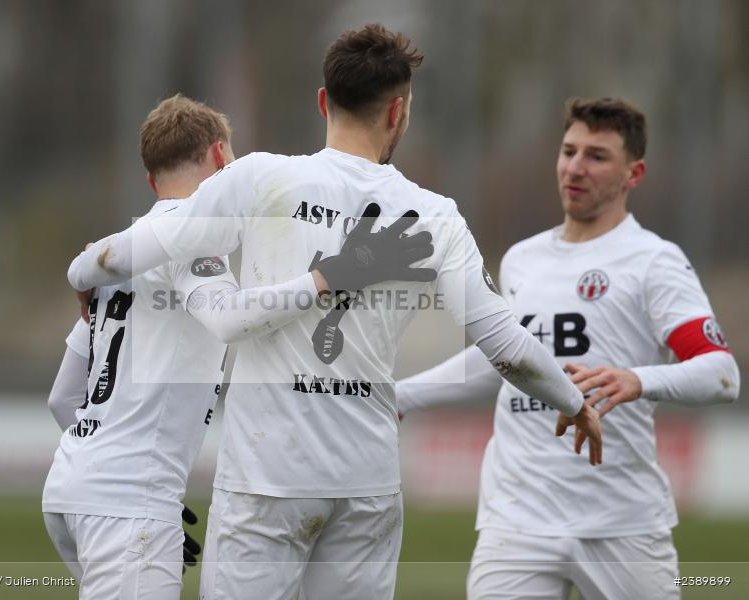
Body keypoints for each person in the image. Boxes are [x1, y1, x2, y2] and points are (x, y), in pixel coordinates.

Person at [67, 25, 602, 600]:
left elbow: (141, 247)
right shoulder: (435, 214)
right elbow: (503, 343)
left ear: (324, 101)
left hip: (265, 478)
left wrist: (83, 273)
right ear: (397, 112)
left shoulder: (260, 177)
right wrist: (573, 402)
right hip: (366, 483)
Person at [42, 94, 419, 599]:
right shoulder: (194, 240)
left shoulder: (121, 251)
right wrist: (328, 277)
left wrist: (110, 469)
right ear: (222, 157)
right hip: (129, 504)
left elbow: (63, 398)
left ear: (152, 181)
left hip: (70, 487)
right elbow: (229, 317)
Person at [398, 97, 740, 600]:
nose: (576, 167)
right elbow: (506, 359)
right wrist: (402, 395)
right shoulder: (522, 259)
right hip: (516, 520)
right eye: (569, 151)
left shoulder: (655, 261)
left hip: (620, 522)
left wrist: (637, 379)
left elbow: (721, 373)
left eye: (597, 156)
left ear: (634, 173)